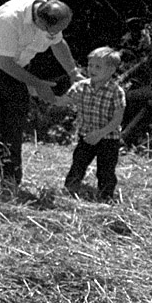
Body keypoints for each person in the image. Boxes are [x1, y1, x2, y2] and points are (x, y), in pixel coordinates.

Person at [0, 0, 83, 190]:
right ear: (39, 20)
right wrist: (38, 84)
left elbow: (58, 43)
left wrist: (74, 73)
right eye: (50, 31)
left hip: (17, 69)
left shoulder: (51, 19)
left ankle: (10, 184)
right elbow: (4, 63)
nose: (54, 34)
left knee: (13, 125)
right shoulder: (11, 19)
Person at [54, 46, 126, 202]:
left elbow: (117, 120)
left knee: (105, 171)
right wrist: (40, 91)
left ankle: (106, 197)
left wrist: (99, 134)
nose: (92, 69)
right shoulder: (81, 87)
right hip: (86, 137)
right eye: (90, 65)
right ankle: (69, 192)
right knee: (78, 164)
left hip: (108, 139)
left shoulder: (116, 91)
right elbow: (61, 101)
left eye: (98, 66)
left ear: (111, 70)